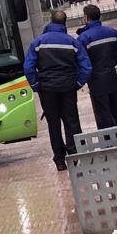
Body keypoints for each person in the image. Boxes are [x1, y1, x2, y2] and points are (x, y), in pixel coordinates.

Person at [24, 10, 92, 171]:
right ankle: (76, 156)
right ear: (64, 24)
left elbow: (28, 67)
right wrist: (78, 83)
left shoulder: (38, 43)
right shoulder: (72, 43)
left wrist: (35, 85)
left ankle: (60, 160)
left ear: (51, 22)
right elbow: (87, 67)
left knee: (53, 125)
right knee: (72, 122)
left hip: (47, 90)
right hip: (68, 87)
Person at [76, 5, 117, 129]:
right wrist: (109, 64)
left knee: (103, 112)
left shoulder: (83, 38)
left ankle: (111, 141)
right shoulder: (112, 32)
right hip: (111, 76)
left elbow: (82, 62)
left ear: (86, 17)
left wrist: (84, 78)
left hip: (95, 80)